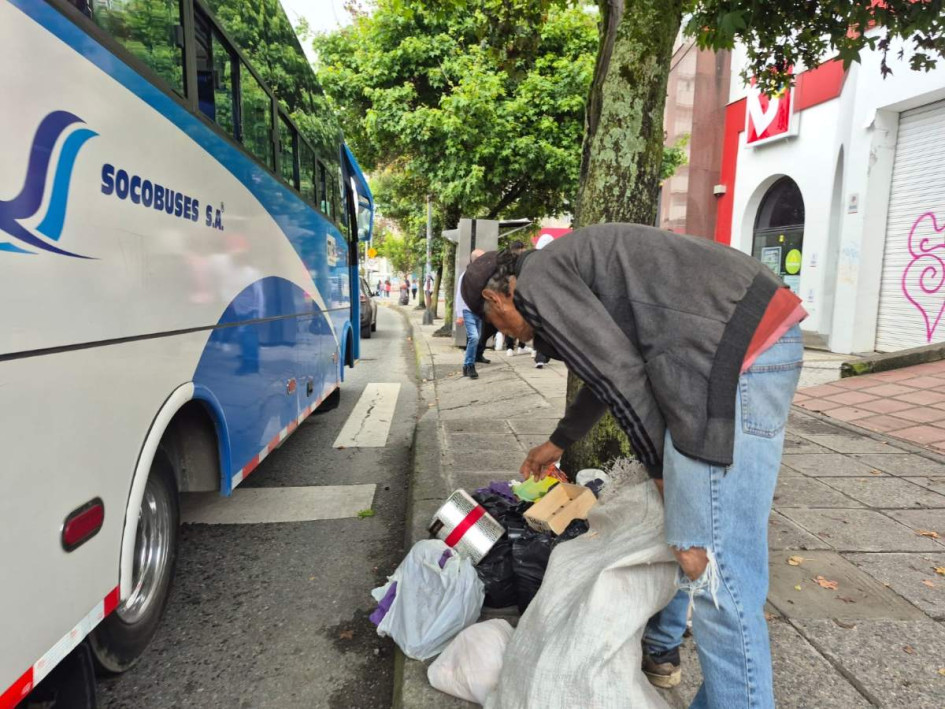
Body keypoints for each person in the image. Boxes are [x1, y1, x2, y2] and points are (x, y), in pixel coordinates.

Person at [460, 224, 806, 709]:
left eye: (501, 328)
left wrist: (669, 483)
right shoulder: (558, 265)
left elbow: (622, 381)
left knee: (711, 568)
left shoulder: (538, 283)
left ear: (498, 302)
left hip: (729, 359)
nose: (511, 338)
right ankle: (697, 677)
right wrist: (559, 442)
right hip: (764, 338)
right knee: (729, 561)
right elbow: (608, 369)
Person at [456, 248, 486, 379]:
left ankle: (467, 365)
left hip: (479, 311)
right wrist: (460, 315)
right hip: (468, 311)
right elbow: (460, 295)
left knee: (476, 338)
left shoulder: (484, 275)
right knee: (473, 337)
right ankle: (469, 365)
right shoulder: (466, 276)